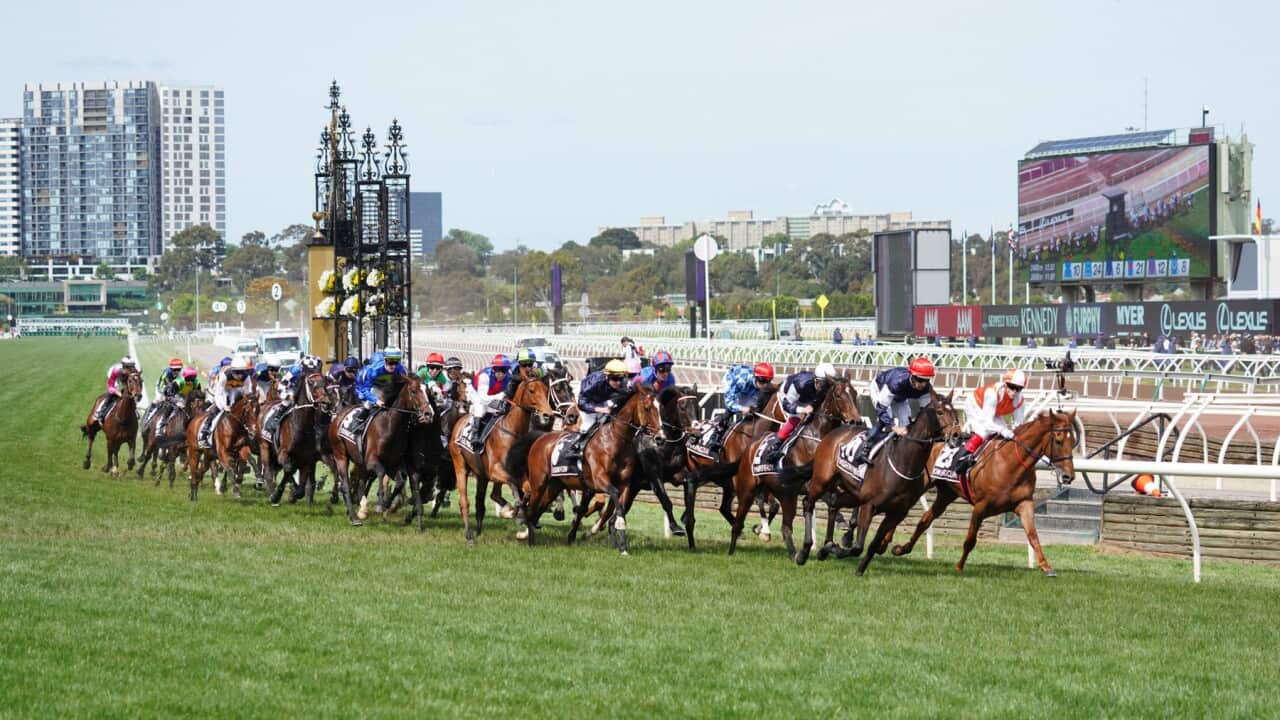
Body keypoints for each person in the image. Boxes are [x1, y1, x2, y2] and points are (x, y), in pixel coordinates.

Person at [851, 357, 936, 468]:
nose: (923, 384)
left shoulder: (925, 388)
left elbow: (925, 410)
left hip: (900, 397)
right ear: (912, 376)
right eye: (920, 380)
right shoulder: (897, 382)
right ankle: (864, 450)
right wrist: (894, 427)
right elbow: (881, 409)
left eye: (927, 380)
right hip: (880, 389)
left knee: (906, 426)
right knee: (885, 420)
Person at [951, 369, 1026, 476]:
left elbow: (1019, 426)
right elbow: (987, 422)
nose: (1014, 392)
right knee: (984, 432)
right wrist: (1003, 430)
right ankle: (959, 460)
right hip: (975, 404)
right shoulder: (992, 393)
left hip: (994, 411)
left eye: (1018, 389)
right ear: (1005, 384)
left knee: (1003, 436)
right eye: (1011, 387)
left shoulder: (1020, 401)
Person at [761, 362, 838, 463]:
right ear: (815, 379)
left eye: (828, 384)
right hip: (789, 396)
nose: (824, 387)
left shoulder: (824, 387)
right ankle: (774, 447)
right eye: (823, 383)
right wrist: (802, 410)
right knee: (796, 419)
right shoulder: (800, 384)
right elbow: (787, 404)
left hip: (808, 398)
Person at [570, 359, 630, 454]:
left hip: (600, 397)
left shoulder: (621, 383)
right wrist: (600, 409)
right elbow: (582, 403)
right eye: (615, 379)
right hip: (583, 397)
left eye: (621, 378)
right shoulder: (595, 381)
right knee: (590, 423)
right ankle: (575, 447)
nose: (618, 382)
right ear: (607, 376)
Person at [201, 355, 253, 448]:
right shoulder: (225, 376)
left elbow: (248, 393)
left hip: (236, 390)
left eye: (242, 372)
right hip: (222, 391)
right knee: (216, 409)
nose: (240, 375)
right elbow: (219, 394)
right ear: (232, 371)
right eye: (237, 372)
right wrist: (224, 406)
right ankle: (204, 433)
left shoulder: (246, 377)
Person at [465, 354, 512, 452]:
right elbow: (483, 399)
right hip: (475, 392)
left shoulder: (509, 377)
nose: (501, 374)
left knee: (502, 409)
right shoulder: (484, 376)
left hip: (491, 393)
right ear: (493, 369)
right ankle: (475, 435)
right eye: (497, 370)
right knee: (480, 408)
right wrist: (499, 397)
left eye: (503, 371)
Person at [353, 347, 408, 428]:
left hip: (389, 385)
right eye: (390, 362)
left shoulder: (401, 369)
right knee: (372, 397)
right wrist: (375, 400)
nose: (393, 366)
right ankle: (360, 420)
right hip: (371, 387)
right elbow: (365, 390)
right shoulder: (374, 371)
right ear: (385, 360)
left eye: (396, 363)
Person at [95, 355, 139, 424]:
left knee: (129, 392)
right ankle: (101, 412)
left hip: (124, 378)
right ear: (124, 366)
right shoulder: (115, 370)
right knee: (111, 394)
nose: (131, 369)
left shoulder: (133, 371)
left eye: (132, 366)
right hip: (115, 378)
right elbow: (111, 387)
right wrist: (119, 394)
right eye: (129, 367)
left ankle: (134, 409)